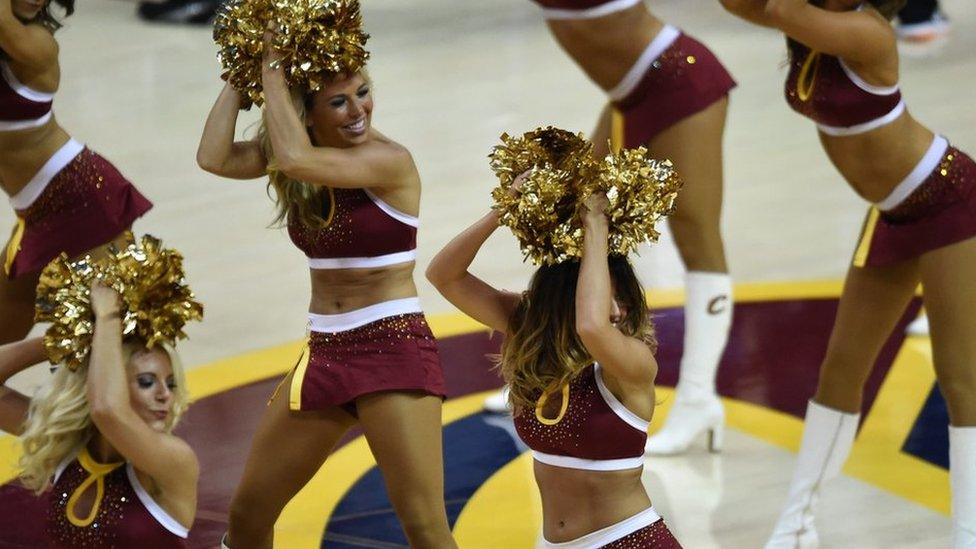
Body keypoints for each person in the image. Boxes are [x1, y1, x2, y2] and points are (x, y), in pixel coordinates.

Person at [719, 1, 976, 546]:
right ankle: (795, 527)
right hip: (892, 212)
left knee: (961, 380)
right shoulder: (816, 26)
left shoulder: (866, 34)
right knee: (839, 371)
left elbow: (778, 7)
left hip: (952, 201)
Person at [198, 14, 456, 549]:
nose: (359, 109)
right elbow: (214, 156)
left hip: (392, 347)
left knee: (426, 529)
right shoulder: (302, 158)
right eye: (339, 102)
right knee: (248, 517)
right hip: (326, 350)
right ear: (307, 114)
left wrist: (272, 58)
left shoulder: (389, 160)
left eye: (363, 93)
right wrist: (242, 70)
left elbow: (293, 157)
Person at [487, 0, 738, 458]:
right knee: (572, 218)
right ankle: (548, 366)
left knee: (697, 237)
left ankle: (700, 399)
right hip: (630, 94)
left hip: (678, 80)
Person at [427, 165, 682, 546]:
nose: (617, 311)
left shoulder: (634, 362)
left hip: (627, 540)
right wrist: (504, 209)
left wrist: (596, 226)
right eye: (604, 296)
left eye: (623, 299)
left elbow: (591, 327)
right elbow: (443, 275)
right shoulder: (529, 328)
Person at [0, 0, 153, 345]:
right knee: (7, 322)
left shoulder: (39, 43)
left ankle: (145, 395)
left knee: (113, 334)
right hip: (34, 209)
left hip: (81, 195)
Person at [0, 282, 197, 547]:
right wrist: (66, 340)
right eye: (147, 382)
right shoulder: (68, 447)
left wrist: (108, 317)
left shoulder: (174, 461)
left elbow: (107, 411)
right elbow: (104, 409)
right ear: (107, 381)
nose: (165, 395)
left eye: (170, 383)